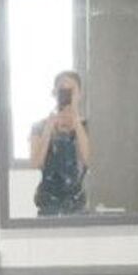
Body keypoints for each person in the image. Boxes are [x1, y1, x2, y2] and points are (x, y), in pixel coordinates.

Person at [30, 71, 91, 216]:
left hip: (77, 205)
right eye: (62, 90)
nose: (66, 95)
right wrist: (48, 129)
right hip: (48, 205)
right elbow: (36, 163)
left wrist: (76, 123)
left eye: (71, 91)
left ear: (79, 94)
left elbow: (88, 160)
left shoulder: (86, 127)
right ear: (54, 93)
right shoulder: (40, 126)